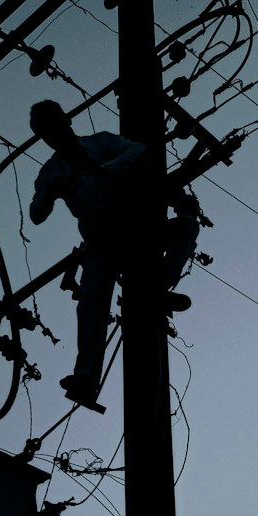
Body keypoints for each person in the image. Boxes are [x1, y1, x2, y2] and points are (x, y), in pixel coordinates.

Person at [28, 100, 198, 408]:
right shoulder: (50, 172)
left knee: (186, 227)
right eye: (45, 133)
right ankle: (85, 380)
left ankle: (158, 286)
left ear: (66, 121)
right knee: (91, 307)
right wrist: (51, 193)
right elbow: (36, 214)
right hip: (100, 243)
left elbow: (139, 151)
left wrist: (107, 169)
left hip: (135, 227)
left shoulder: (100, 142)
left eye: (53, 127)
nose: (52, 136)